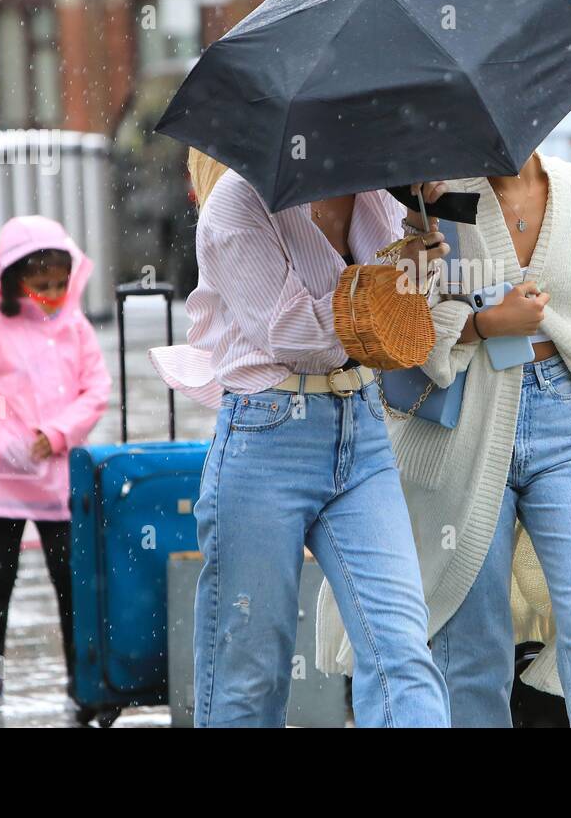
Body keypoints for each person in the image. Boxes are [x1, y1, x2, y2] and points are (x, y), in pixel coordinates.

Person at [317, 149, 571, 727]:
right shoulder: (434, 197)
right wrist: (480, 323)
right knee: (470, 648)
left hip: (566, 422)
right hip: (467, 425)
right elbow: (406, 328)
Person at [148, 149, 452, 728]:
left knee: (402, 649)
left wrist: (418, 249)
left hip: (361, 428)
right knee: (252, 670)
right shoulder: (235, 204)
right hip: (265, 437)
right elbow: (291, 333)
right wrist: (384, 281)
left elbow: (401, 325)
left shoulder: (372, 190)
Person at [0, 215, 110, 718]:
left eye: (60, 284)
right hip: (1, 486)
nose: (53, 294)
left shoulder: (76, 330)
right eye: (41, 286)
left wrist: (55, 435)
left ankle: (82, 676)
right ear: (15, 281)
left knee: (71, 584)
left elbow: (95, 391)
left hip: (58, 482)